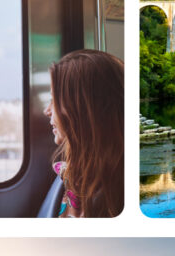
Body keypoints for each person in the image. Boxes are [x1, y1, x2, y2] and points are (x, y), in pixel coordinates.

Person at [44, 49, 124, 217]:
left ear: (81, 109)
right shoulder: (73, 176)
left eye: (55, 100)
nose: (47, 110)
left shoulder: (109, 196)